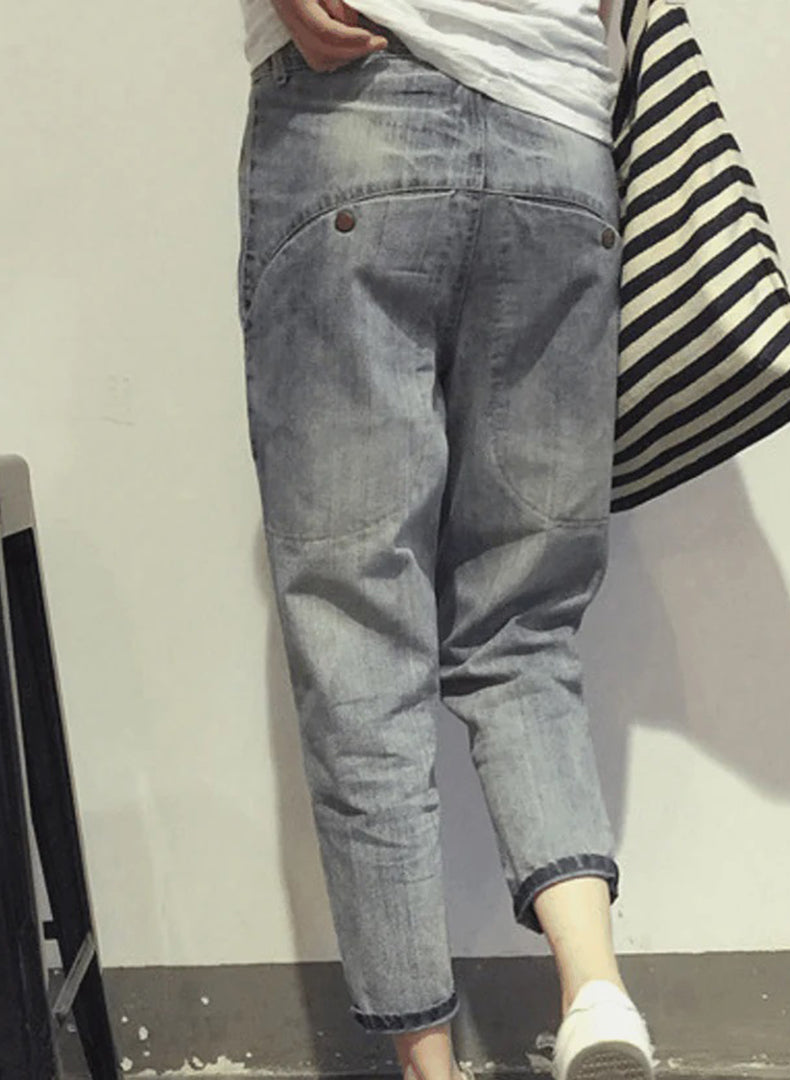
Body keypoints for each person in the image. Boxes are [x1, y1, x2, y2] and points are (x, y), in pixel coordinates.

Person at [234, 1, 656, 1078]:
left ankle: (432, 1070)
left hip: (355, 117)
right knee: (524, 624)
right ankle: (596, 992)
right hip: (560, 139)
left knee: (360, 637)